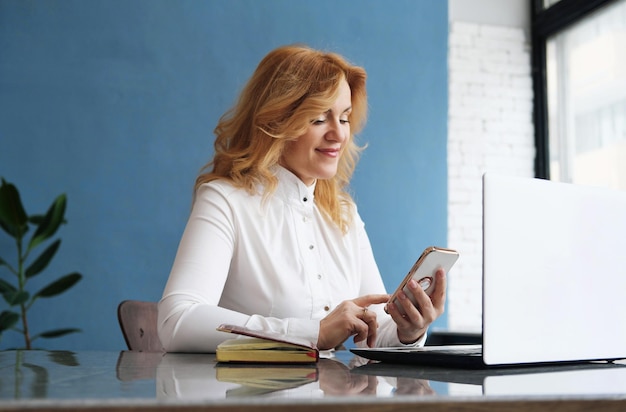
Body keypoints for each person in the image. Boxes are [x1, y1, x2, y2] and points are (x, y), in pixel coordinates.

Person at [157, 44, 446, 353]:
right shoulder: (225, 201)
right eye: (320, 119)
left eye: (344, 118)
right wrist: (313, 334)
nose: (338, 134)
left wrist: (410, 330)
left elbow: (376, 326)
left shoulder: (344, 213)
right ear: (276, 122)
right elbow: (177, 320)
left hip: (332, 399)